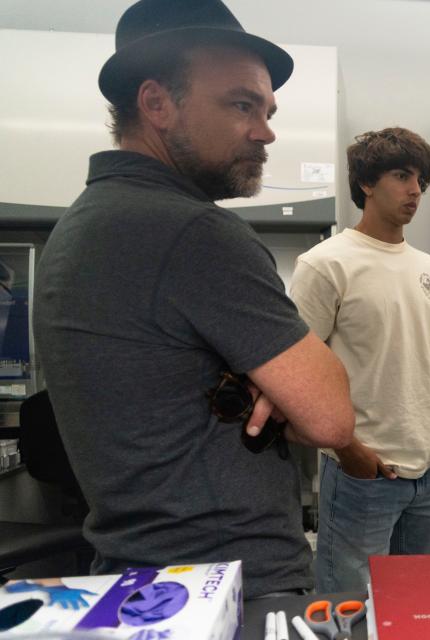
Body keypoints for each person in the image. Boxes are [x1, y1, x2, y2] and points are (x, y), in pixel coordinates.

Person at [33, 0, 354, 599]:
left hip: (139, 579)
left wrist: (254, 379)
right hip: (233, 587)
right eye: (241, 104)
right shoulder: (193, 232)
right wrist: (268, 386)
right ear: (156, 103)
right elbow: (331, 416)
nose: (266, 131)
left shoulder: (83, 223)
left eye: (267, 110)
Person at [289, 127, 430, 592]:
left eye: (421, 180)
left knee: (416, 603)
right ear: (366, 183)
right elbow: (297, 370)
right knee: (349, 607)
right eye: (402, 175)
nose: (414, 191)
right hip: (364, 473)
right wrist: (349, 450)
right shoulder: (325, 264)